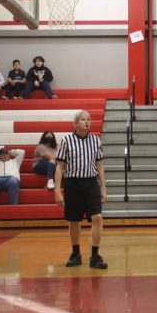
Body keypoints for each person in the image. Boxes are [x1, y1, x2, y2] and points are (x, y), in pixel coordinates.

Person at [54, 110, 108, 269]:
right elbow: (59, 167)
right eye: (83, 119)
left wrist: (103, 187)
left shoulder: (96, 141)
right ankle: (76, 253)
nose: (87, 122)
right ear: (76, 123)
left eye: (89, 119)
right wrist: (57, 190)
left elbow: (99, 165)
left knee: (97, 217)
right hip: (72, 183)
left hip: (91, 182)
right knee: (74, 220)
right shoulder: (66, 140)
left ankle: (95, 256)